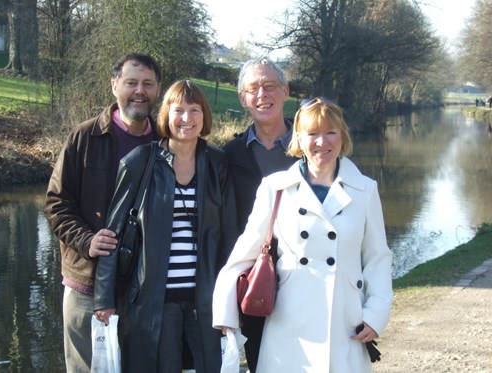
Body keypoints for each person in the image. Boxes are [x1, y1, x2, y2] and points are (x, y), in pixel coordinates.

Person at [213, 97, 393, 372]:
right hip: (289, 326)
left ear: (342, 136)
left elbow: (377, 258)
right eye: (313, 134)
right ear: (298, 138)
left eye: (331, 132)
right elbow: (245, 251)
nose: (322, 142)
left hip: (345, 324)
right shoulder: (275, 188)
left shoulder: (364, 190)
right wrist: (226, 311)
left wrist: (375, 314)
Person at [94, 80, 238, 373]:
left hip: (206, 302)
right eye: (179, 110)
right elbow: (114, 234)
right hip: (155, 303)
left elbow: (230, 237)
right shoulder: (140, 163)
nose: (187, 118)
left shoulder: (218, 164)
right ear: (166, 114)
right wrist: (104, 299)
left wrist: (230, 301)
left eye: (195, 110)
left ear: (204, 116)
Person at [44, 53, 162, 372]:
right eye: (131, 82)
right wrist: (87, 240)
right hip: (88, 282)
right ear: (114, 86)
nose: (139, 91)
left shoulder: (165, 144)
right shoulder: (84, 137)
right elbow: (56, 202)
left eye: (147, 84)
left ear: (157, 90)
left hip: (144, 289)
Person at [222, 58, 297, 372]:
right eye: (253, 88)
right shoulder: (228, 155)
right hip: (254, 283)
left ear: (285, 92)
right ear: (242, 98)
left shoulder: (311, 148)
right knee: (260, 364)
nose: (262, 94)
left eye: (270, 86)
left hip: (305, 279)